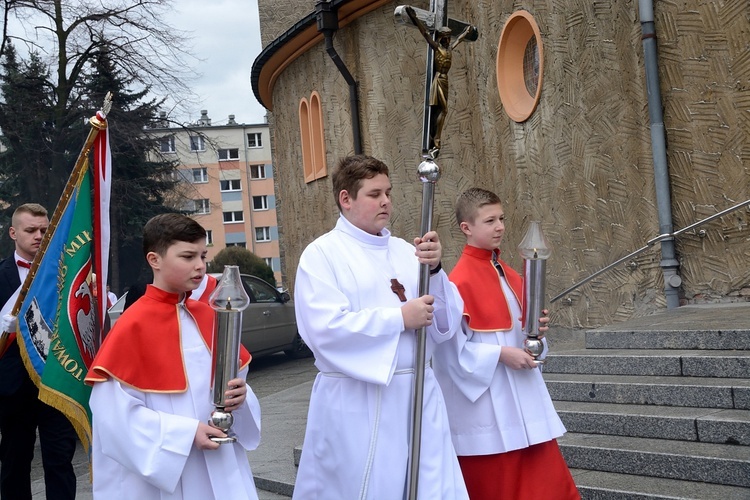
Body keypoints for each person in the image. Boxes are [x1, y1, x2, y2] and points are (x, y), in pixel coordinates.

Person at [292, 155, 468, 499]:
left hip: (417, 392)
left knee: (430, 486)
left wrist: (434, 272)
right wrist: (399, 318)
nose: (386, 201)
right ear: (346, 198)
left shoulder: (407, 252)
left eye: (388, 192)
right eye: (375, 194)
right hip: (357, 401)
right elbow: (323, 329)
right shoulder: (322, 255)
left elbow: (445, 324)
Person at [85, 213, 262, 499]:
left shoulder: (210, 316)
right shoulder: (133, 325)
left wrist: (242, 397)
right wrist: (186, 434)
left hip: (220, 459)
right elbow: (113, 418)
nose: (200, 266)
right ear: (154, 259)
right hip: (170, 468)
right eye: (188, 256)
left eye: (203, 256)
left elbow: (232, 382)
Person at [433, 188, 579, 499]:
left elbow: (522, 333)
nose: (500, 226)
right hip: (487, 404)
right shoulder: (457, 284)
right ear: (466, 228)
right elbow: (449, 353)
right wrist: (502, 354)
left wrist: (536, 335)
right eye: (489, 221)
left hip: (523, 399)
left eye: (501, 218)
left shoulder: (511, 274)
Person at [0, 203, 78, 500]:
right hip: (13, 386)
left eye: (45, 230)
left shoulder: (65, 276)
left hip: (57, 380)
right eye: (31, 230)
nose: (38, 236)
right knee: (14, 463)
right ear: (13, 232)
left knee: (60, 461)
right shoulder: (1, 275)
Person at [405, 5, 475, 155]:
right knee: (437, 109)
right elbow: (425, 33)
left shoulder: (449, 50)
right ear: (442, 38)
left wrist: (466, 31)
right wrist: (414, 17)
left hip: (445, 81)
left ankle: (436, 139)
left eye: (450, 38)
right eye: (447, 37)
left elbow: (460, 40)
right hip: (437, 80)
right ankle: (435, 140)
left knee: (444, 110)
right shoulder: (437, 48)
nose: (449, 40)